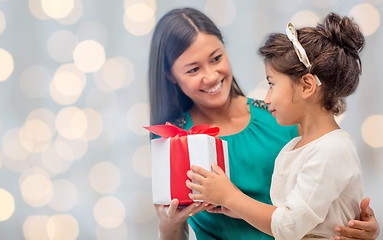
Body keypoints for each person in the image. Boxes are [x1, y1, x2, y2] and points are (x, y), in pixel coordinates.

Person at [148, 7, 380, 240]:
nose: (210, 76)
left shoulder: (284, 115)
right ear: (171, 75)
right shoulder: (175, 142)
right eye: (193, 69)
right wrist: (167, 226)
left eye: (216, 58)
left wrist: (359, 226)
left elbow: (328, 192)